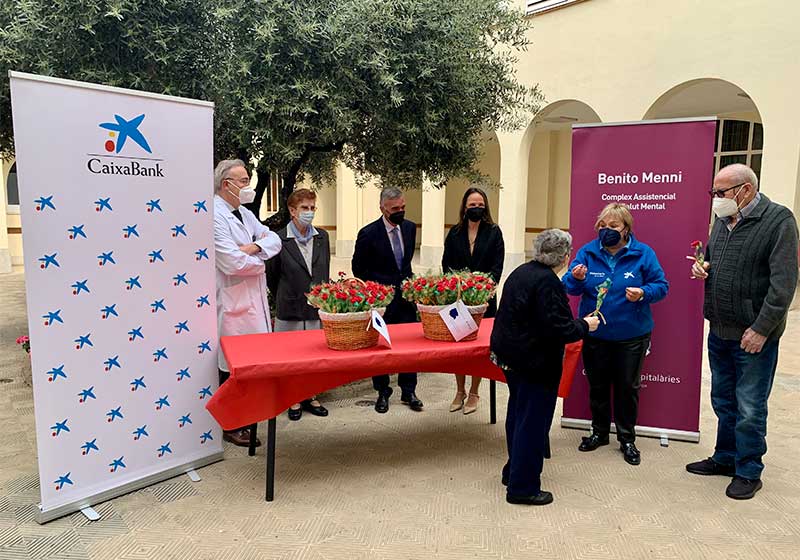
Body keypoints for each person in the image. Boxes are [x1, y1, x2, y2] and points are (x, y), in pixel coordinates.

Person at [686, 163, 798, 500]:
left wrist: (761, 329)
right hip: (720, 329)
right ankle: (725, 457)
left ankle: (748, 469)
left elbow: (783, 285)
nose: (715, 200)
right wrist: (702, 267)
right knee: (723, 399)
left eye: (720, 193)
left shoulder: (779, 221)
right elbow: (712, 259)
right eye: (714, 193)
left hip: (753, 336)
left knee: (750, 406)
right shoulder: (722, 222)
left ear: (745, 190)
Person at [491, 229, 599, 505]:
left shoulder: (521, 272)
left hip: (511, 358)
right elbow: (561, 329)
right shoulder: (547, 283)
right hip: (535, 363)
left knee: (518, 415)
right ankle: (523, 487)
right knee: (533, 423)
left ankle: (513, 472)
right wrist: (586, 324)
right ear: (564, 256)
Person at [562, 203, 668, 466]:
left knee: (626, 388)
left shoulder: (643, 253)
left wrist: (644, 293)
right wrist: (575, 277)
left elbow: (661, 285)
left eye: (613, 226)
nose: (606, 230)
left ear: (626, 229)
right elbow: (569, 288)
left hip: (631, 335)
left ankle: (627, 439)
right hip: (595, 334)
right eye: (603, 226)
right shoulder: (587, 252)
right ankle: (598, 432)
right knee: (597, 386)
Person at [213, 159, 282, 447]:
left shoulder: (243, 213)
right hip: (233, 302)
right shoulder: (214, 215)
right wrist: (260, 258)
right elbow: (231, 262)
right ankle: (231, 425)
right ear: (225, 184)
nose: (247, 186)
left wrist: (253, 248)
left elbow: (274, 239)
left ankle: (248, 420)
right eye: (242, 181)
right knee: (232, 369)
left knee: (251, 365)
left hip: (252, 300)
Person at [352, 186, 422, 414]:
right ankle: (382, 391)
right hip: (381, 303)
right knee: (380, 347)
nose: (400, 211)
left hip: (405, 300)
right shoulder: (368, 233)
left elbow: (406, 264)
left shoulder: (410, 228)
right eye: (395, 209)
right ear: (383, 208)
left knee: (410, 347)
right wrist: (378, 290)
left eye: (402, 207)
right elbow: (358, 268)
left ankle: (409, 390)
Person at [266, 188, 331, 421]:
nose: (310, 212)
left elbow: (325, 270)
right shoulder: (278, 239)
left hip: (315, 308)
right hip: (290, 308)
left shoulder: (322, 237)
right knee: (290, 357)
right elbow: (271, 276)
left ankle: (310, 394)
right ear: (292, 210)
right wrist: (287, 294)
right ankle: (292, 398)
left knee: (313, 356)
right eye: (305, 208)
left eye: (313, 208)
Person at [442, 186, 504, 415]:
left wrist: (480, 288)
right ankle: (459, 390)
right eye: (472, 205)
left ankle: (475, 392)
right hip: (458, 301)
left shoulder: (494, 232)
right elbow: (446, 264)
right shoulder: (455, 232)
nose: (476, 209)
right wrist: (459, 287)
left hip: (484, 300)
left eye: (480, 205)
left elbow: (497, 267)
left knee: (479, 350)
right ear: (465, 207)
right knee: (459, 347)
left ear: (485, 207)